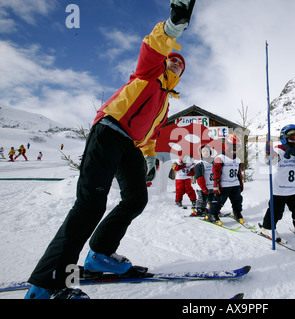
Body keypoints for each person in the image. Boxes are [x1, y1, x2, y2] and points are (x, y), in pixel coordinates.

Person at [25, 0, 196, 299]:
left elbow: (152, 132)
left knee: (136, 199)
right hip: (109, 130)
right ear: (166, 60)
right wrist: (171, 28)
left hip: (129, 145)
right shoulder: (151, 74)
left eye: (181, 64)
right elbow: (152, 49)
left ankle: (99, 255)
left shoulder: (165, 101)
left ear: (182, 74)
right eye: (173, 59)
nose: (176, 63)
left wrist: (151, 155)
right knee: (90, 205)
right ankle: (47, 284)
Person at [206, 134, 245, 226]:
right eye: (233, 146)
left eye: (237, 147)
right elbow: (216, 173)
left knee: (237, 201)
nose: (235, 149)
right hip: (224, 185)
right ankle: (212, 214)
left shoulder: (237, 159)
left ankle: (237, 213)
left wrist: (241, 183)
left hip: (235, 185)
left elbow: (238, 173)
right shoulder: (220, 158)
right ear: (227, 145)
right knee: (219, 202)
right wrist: (216, 185)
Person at [192, 144, 215, 216]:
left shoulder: (213, 162)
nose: (206, 153)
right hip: (202, 187)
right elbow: (199, 177)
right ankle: (200, 210)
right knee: (202, 199)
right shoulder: (200, 164)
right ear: (201, 153)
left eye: (207, 151)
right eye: (203, 151)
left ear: (210, 152)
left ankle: (213, 210)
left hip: (212, 186)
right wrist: (203, 187)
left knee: (212, 199)